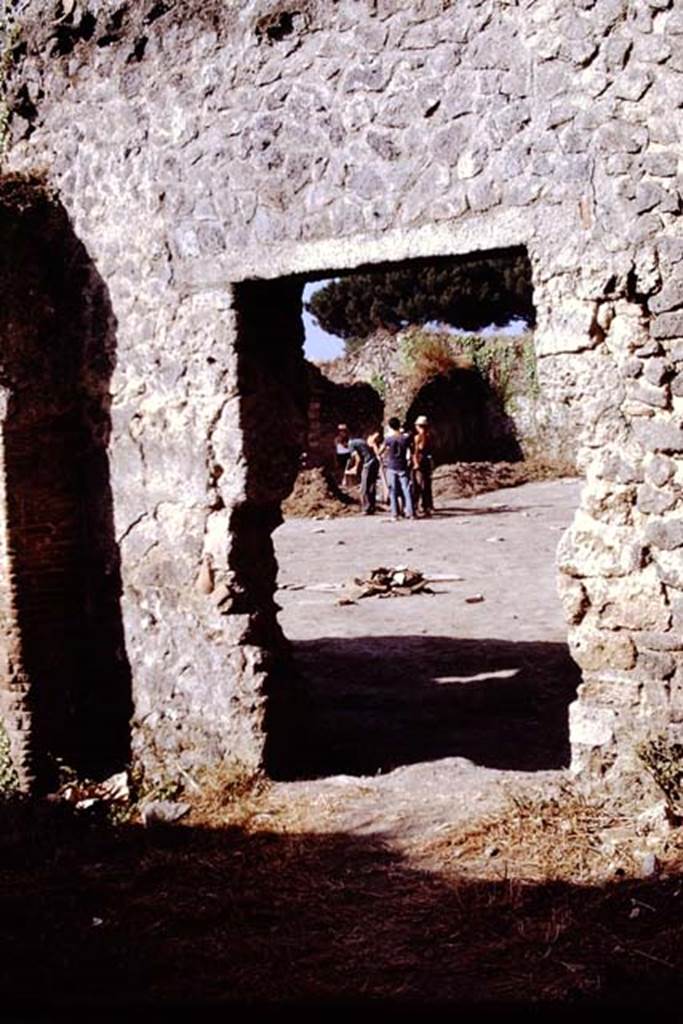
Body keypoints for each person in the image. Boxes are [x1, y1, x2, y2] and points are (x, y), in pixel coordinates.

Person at [379, 416, 415, 520]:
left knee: (393, 490)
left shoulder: (388, 439)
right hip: (403, 465)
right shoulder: (405, 438)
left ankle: (395, 514)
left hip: (392, 466)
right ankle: (410, 512)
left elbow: (380, 451)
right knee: (406, 489)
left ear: (390, 426)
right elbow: (411, 449)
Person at [347, 431, 381, 514]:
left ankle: (366, 508)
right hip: (375, 462)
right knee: (372, 485)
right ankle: (372, 506)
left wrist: (355, 468)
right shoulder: (361, 441)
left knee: (364, 487)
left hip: (368, 464)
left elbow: (358, 458)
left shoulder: (351, 444)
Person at [412, 414, 434, 517]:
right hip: (426, 461)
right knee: (426, 484)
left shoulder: (418, 438)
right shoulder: (430, 436)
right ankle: (426, 506)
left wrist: (415, 463)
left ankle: (417, 506)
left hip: (421, 461)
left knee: (419, 484)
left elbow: (415, 452)